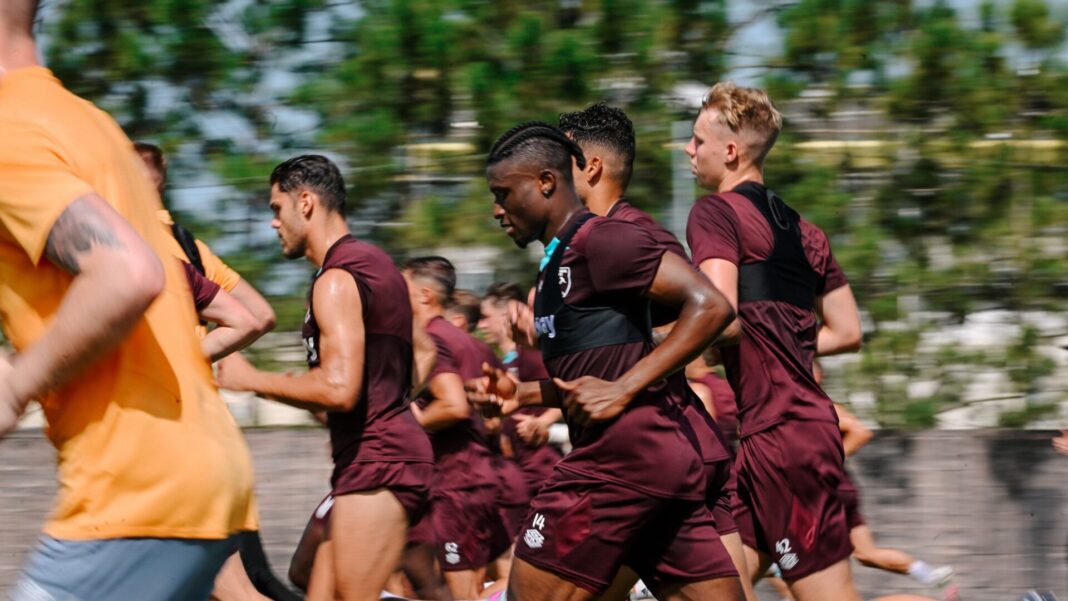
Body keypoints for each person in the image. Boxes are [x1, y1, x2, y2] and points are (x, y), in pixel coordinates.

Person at [0, 2, 256, 598]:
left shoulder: (8, 130)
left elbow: (125, 273)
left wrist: (14, 386)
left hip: (134, 489)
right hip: (200, 472)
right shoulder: (87, 122)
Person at [684, 81, 934, 601]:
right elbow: (848, 332)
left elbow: (721, 317)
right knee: (711, 590)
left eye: (697, 141)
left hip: (785, 441)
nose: (689, 150)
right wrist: (784, 342)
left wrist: (639, 357)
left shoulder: (715, 214)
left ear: (730, 152)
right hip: (765, 441)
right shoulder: (808, 233)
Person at [483, 121, 744, 601]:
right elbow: (597, 378)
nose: (497, 209)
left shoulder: (601, 241)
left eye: (504, 193)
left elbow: (714, 309)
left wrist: (624, 388)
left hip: (617, 464)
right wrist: (519, 393)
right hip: (660, 470)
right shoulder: (558, 263)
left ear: (546, 182)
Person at [559, 102, 755, 601]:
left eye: (561, 162)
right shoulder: (585, 244)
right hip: (672, 454)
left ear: (590, 166)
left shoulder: (635, 236)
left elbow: (723, 322)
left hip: (661, 453)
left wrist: (628, 369)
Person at [216, 155, 434, 601]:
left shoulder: (335, 279)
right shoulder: (379, 264)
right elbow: (423, 354)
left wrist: (252, 378)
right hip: (383, 458)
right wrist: (384, 399)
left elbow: (338, 388)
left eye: (277, 209)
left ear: (306, 202)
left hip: (379, 464)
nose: (273, 223)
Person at [403, 257, 513, 601]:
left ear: (424, 295)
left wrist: (410, 421)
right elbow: (497, 416)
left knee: (461, 594)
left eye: (400, 288)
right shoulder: (471, 343)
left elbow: (453, 405)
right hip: (477, 476)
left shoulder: (432, 339)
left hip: (456, 482)